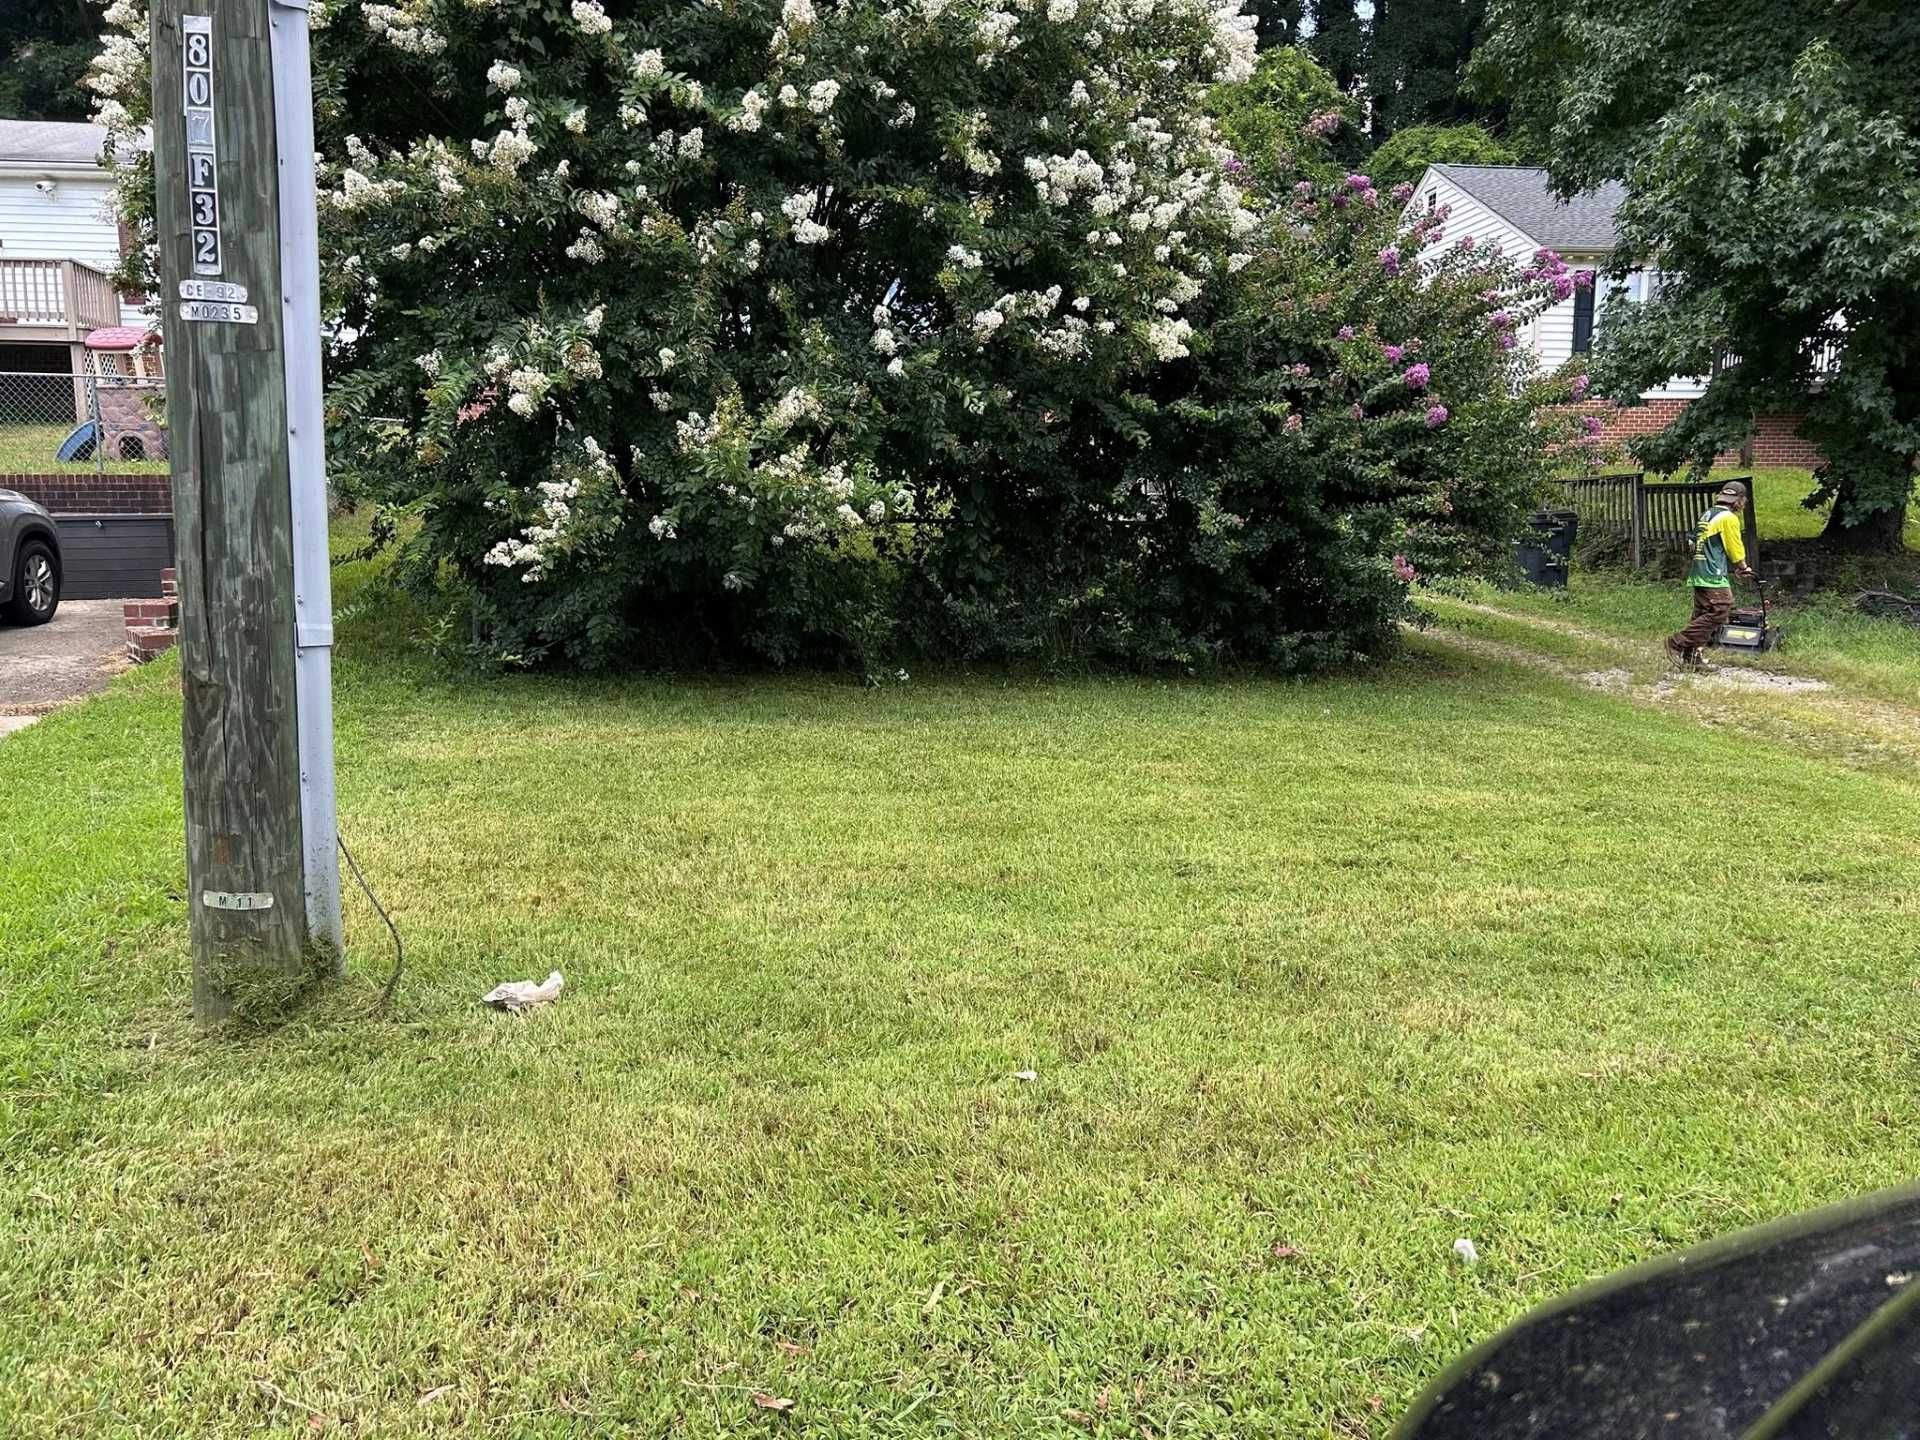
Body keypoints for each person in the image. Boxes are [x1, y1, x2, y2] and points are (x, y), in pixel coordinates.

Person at [1666, 480, 1754, 665]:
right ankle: (1677, 642)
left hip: (1698, 570)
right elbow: (1734, 548)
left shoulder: (1707, 514)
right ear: (1739, 500)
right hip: (1712, 573)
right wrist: (1742, 567)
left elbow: (1691, 542)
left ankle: (1693, 658)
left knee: (1702, 614)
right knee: (1721, 609)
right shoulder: (1729, 518)